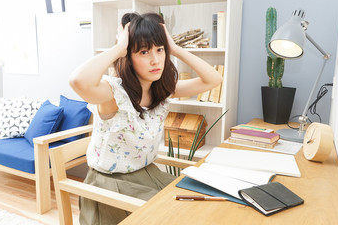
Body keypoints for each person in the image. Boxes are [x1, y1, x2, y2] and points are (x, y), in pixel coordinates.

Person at [69, 12, 223, 224]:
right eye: (144, 51)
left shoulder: (162, 90)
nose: (155, 59)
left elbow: (213, 79)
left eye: (159, 50)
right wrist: (118, 49)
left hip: (146, 175)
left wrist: (175, 48)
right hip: (108, 184)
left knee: (197, 207)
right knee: (174, 217)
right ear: (129, 57)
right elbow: (78, 81)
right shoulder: (113, 94)